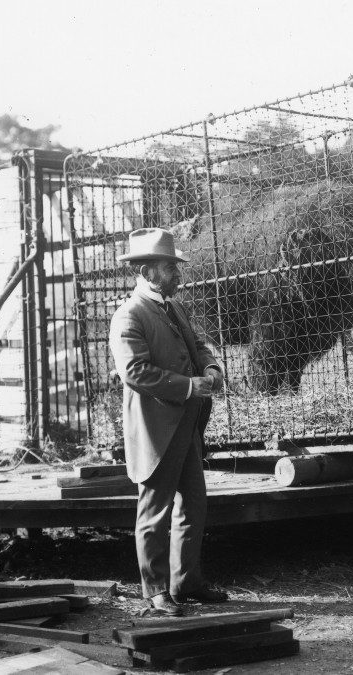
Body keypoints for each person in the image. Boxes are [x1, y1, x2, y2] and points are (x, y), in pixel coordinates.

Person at [109, 227, 229, 616]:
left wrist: (210, 365)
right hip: (157, 429)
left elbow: (196, 345)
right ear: (146, 271)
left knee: (194, 504)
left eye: (176, 267)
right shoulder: (129, 315)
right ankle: (156, 590)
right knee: (155, 509)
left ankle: (186, 583)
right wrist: (188, 386)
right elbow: (135, 373)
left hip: (187, 425)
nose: (178, 274)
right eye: (169, 267)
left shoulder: (175, 307)